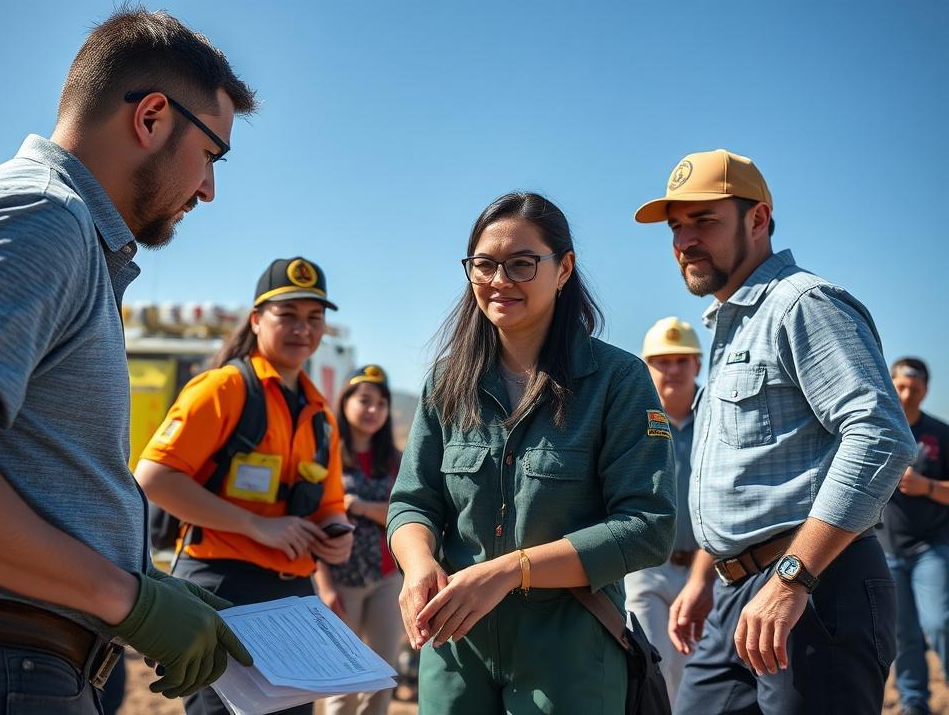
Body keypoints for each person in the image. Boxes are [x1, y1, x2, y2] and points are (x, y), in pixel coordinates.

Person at [0, 6, 257, 710]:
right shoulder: (40, 215)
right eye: (212, 156)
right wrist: (125, 596)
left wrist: (130, 571)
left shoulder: (55, 225)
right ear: (153, 118)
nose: (209, 189)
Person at [634, 149, 915, 714]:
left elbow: (880, 436)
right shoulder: (734, 325)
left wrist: (792, 579)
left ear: (758, 219)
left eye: (704, 220)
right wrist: (707, 576)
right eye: (676, 226)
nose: (684, 240)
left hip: (815, 591)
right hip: (735, 596)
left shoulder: (802, 305)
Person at [388, 191, 676, 715]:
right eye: (484, 264)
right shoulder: (447, 382)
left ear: (564, 268)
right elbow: (413, 501)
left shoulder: (618, 380)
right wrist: (417, 563)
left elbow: (647, 527)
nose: (500, 280)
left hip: (570, 647)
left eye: (522, 264)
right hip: (456, 646)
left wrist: (509, 570)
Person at [134, 256, 354, 715]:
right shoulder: (223, 389)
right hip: (222, 587)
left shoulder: (321, 417)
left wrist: (337, 534)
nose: (303, 329)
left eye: (314, 319)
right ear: (256, 320)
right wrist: (256, 525)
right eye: (287, 315)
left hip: (295, 598)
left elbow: (331, 505)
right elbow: (154, 478)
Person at [316, 365, 404, 715]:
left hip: (386, 578)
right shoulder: (325, 457)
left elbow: (404, 515)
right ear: (345, 402)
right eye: (365, 401)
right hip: (340, 581)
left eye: (381, 403)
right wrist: (324, 585)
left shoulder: (397, 461)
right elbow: (316, 522)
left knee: (383, 677)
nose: (373, 410)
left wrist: (360, 506)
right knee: (343, 682)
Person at [624, 316, 702, 705]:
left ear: (698, 365)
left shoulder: (719, 418)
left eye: (681, 359)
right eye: (661, 360)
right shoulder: (630, 419)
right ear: (646, 366)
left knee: (705, 679)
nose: (672, 369)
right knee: (652, 673)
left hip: (711, 570)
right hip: (647, 567)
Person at [879, 357, 949, 715]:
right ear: (890, 384)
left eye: (915, 389)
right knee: (902, 634)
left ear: (926, 391)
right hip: (885, 551)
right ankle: (913, 701)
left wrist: (927, 486)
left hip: (931, 549)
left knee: (940, 622)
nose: (906, 395)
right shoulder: (875, 429)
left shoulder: (941, 433)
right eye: (901, 387)